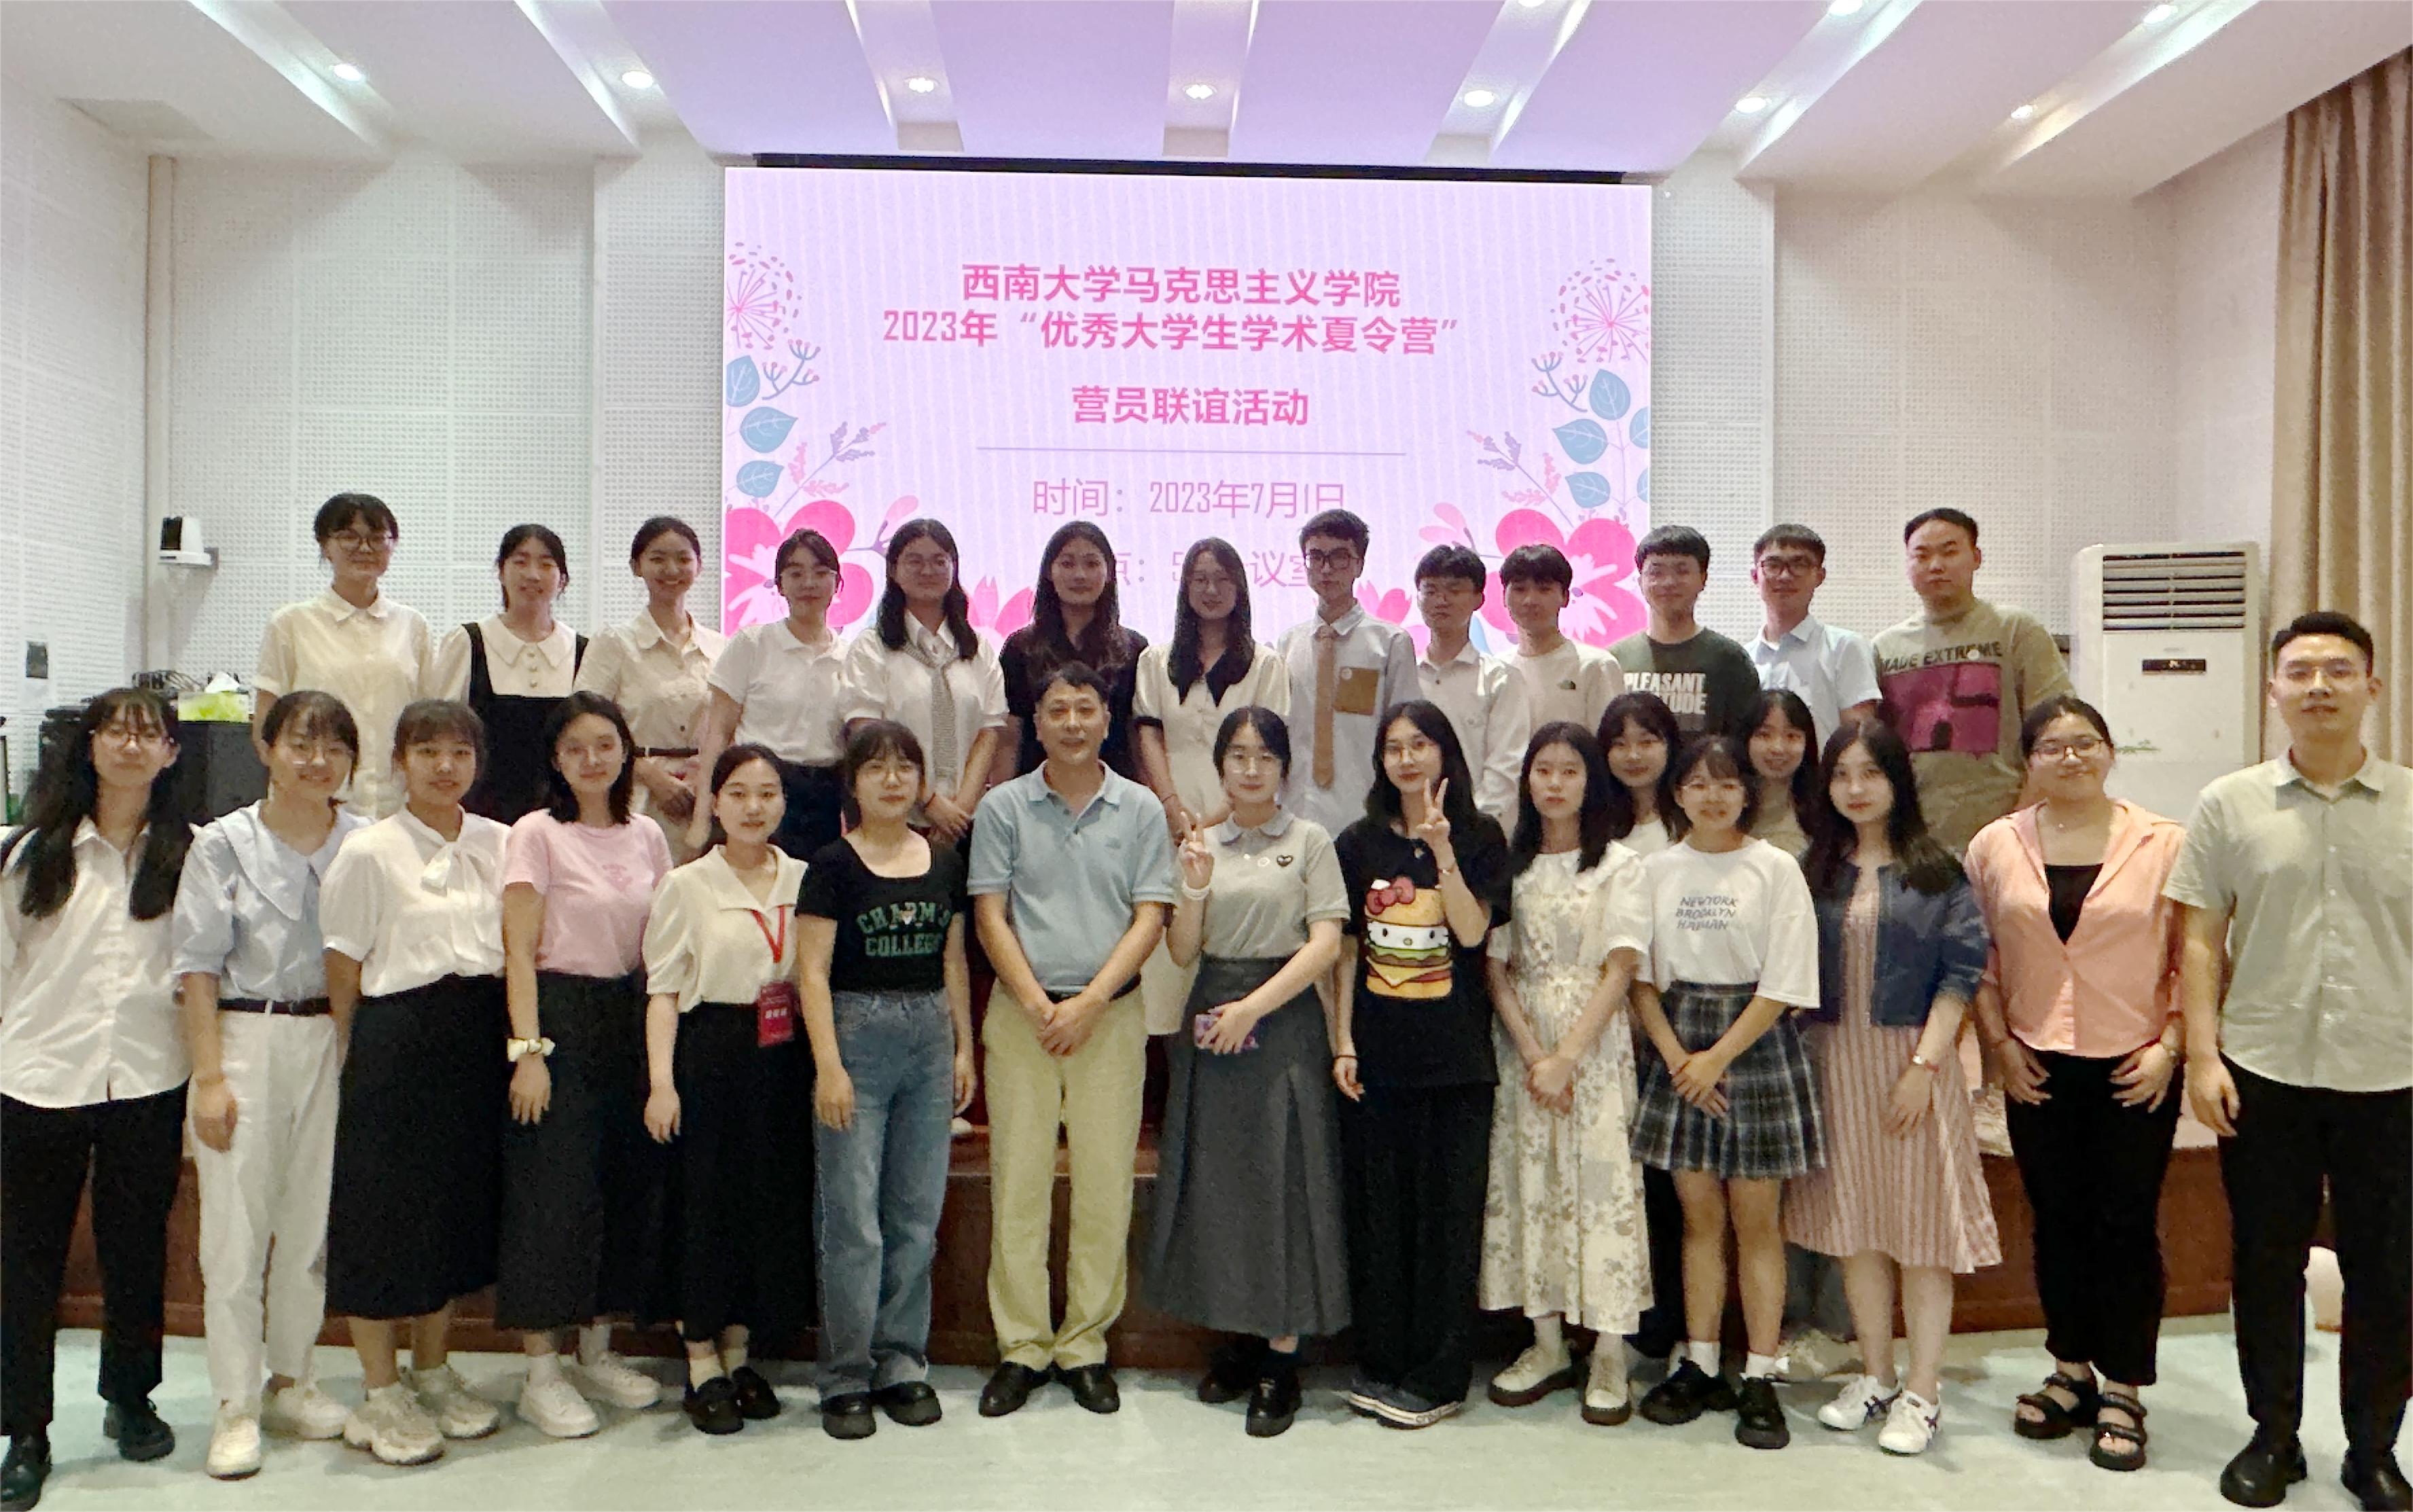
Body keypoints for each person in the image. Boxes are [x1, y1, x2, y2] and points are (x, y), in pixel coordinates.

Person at [2165, 612, 2410, 1512]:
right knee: (2266, 1262)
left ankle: (2373, 1449)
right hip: (2262, 1069)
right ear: (2273, 691)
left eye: (2338, 670)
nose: (2318, 686)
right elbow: (2199, 939)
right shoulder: (2229, 804)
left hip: (2392, 1073)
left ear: (2371, 687)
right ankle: (2273, 1436)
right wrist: (2202, 1055)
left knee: (2389, 1270)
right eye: (2300, 671)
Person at [1966, 694, 2187, 1473]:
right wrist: (1999, 1045)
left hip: (2136, 1063)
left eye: (2086, 743)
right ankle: (2070, 1370)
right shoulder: (1996, 844)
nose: (2071, 757)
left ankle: (2124, 1385)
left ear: (2110, 752)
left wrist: (2172, 1045)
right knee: (2055, 1218)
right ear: (2029, 762)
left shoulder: (2162, 841)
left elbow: (2194, 954)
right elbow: (1978, 955)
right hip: (2036, 1061)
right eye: (2053, 747)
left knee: (2125, 1223)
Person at [1786, 720, 2001, 1458]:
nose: (1855, 788)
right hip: (1833, 1063)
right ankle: (1876, 1375)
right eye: (1841, 775)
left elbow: (1962, 972)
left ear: (1897, 781)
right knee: (1857, 1229)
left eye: (1870, 773)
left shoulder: (1936, 868)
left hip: (1914, 1065)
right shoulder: (1815, 869)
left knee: (1921, 1234)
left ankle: (1924, 1391)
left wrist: (1924, 1068)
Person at [969, 664, 1177, 1418]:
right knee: (1018, 1183)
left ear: (1107, 718)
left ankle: (1085, 1345)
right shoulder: (1003, 806)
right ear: (1038, 721)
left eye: (1085, 709)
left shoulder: (1141, 808)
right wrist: (1036, 1003)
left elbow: (1152, 915)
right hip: (1021, 1019)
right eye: (1057, 710)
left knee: (1103, 1186)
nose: (1072, 723)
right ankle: (1022, 1346)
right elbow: (989, 914)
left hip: (1109, 1018)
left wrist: (1089, 1002)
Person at [0, 691, 190, 1512]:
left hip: (148, 1078)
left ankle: (131, 1399)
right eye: (117, 730)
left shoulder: (188, 854)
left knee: (136, 1248)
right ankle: (25, 1433)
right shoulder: (31, 853)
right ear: (88, 746)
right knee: (26, 1261)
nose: (132, 745)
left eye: (150, 733)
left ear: (172, 754)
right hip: (38, 1078)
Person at [173, 691, 363, 1479]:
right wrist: (209, 1077)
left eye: (334, 748)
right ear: (266, 748)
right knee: (235, 1231)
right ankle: (235, 1403)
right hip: (246, 1036)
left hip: (332, 1038)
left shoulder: (363, 841)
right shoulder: (224, 843)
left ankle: (293, 1379)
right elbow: (196, 967)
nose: (317, 761)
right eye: (301, 745)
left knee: (309, 1222)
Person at [1145, 708, 1349, 1438]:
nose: (1252, 769)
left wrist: (1253, 1010)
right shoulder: (1201, 844)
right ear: (1221, 768)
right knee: (1222, 1187)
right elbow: (1182, 950)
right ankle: (1235, 1339)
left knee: (1283, 1184)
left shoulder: (1310, 842)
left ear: (1285, 768)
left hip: (1283, 1022)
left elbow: (1325, 945)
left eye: (1266, 756)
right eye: (1238, 756)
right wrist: (1196, 886)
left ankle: (1281, 1359)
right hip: (1212, 1017)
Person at [318, 700, 510, 1466]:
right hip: (395, 1038)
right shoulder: (369, 850)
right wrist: (357, 1053)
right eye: (427, 751)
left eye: (459, 752)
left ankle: (433, 1369)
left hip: (476, 1036)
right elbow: (343, 965)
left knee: (452, 1210)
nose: (444, 766)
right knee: (381, 1213)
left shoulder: (499, 842)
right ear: (398, 762)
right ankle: (380, 1389)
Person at [1629, 736, 1823, 1452]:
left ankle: (1761, 1376)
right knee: (1698, 1220)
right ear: (1678, 794)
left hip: (1756, 1043)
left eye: (1727, 784)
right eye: (1698, 784)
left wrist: (1716, 1060)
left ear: (1748, 792)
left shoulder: (1776, 869)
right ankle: (1702, 1362)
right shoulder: (1655, 870)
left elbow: (1786, 982)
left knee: (1758, 1222)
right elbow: (1638, 978)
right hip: (1680, 1043)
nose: (1712, 797)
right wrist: (1682, 1060)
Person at [495, 694, 675, 1439]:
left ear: (627, 751)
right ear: (555, 760)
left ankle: (596, 1351)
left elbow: (662, 940)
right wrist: (529, 1051)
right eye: (575, 748)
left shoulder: (648, 835)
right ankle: (542, 1372)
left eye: (606, 744)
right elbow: (517, 952)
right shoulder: (536, 834)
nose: (593, 759)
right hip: (559, 1019)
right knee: (553, 1193)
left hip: (628, 1015)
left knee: (618, 1185)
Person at [1331, 702, 1512, 1429]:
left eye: (1420, 745)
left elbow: (1471, 933)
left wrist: (1442, 852)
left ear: (1445, 754)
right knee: (1381, 1217)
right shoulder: (1357, 843)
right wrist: (1343, 1042)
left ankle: (1439, 1378)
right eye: (1394, 748)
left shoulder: (1480, 836)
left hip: (1456, 1064)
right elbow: (1347, 950)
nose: (1406, 759)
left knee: (1446, 1223)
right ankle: (1383, 1363)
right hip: (1378, 1058)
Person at [799, 721, 976, 1441]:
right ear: (853, 783)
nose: (894, 780)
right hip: (856, 1038)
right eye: (877, 768)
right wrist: (829, 1065)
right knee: (853, 1220)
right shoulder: (831, 865)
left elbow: (954, 961)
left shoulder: (943, 862)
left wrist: (963, 1051)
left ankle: (902, 1361)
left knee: (915, 1216)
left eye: (906, 767)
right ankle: (845, 1374)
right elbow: (812, 972)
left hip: (929, 1038)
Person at [1479, 723, 1653, 1428]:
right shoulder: (1512, 867)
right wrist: (1535, 1057)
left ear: (1591, 782)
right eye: (1543, 770)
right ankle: (1546, 1342)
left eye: (1569, 771)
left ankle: (1609, 1351)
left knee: (1601, 1186)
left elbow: (1622, 967)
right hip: (1523, 1046)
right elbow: (1496, 968)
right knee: (1533, 1186)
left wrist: (1567, 1058)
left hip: (1596, 1048)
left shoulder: (1619, 865)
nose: (1554, 783)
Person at [641, 744, 817, 1437]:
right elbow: (662, 991)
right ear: (714, 802)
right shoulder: (688, 884)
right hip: (709, 1052)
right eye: (738, 793)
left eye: (767, 793)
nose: (753, 807)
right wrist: (661, 1083)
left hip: (781, 1055)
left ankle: (740, 1357)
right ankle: (701, 1362)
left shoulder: (802, 878)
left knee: (764, 1205)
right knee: (705, 1205)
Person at [1134, 537, 1291, 1037]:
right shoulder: (1156, 660)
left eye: (1223, 579)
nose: (1211, 589)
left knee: (1227, 944)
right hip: (1169, 821)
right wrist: (1171, 806)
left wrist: (1214, 818)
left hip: (1241, 820)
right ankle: (1171, 1068)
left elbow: (1269, 749)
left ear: (1240, 588)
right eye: (1200, 579)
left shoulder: (1265, 664)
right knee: (1168, 956)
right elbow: (1149, 733)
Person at [1873, 508, 2072, 856]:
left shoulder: (2016, 630)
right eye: (1922, 555)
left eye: (1949, 552)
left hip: (2010, 835)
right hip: (1915, 844)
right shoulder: (1884, 648)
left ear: (1976, 558)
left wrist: (2018, 826)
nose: (1936, 565)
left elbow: (2056, 731)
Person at [252, 492, 434, 818]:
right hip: (314, 801)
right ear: (325, 545)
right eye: (349, 537)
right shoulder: (291, 623)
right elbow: (266, 721)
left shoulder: (413, 625)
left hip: (395, 804)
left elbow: (426, 720)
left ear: (392, 546)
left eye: (377, 538)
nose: (364, 548)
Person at [840, 519, 1006, 846]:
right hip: (892, 818)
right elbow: (866, 734)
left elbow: (988, 734)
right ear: (893, 570)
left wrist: (958, 813)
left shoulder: (978, 650)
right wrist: (930, 802)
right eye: (914, 561)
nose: (928, 571)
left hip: (963, 824)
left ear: (954, 568)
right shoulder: (871, 648)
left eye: (939, 561)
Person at [575, 516, 727, 865]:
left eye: (683, 559)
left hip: (705, 800)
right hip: (636, 795)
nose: (671, 569)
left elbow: (730, 726)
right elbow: (583, 722)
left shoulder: (721, 647)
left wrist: (702, 777)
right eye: (658, 559)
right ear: (636, 567)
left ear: (699, 566)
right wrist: (650, 775)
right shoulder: (614, 643)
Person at [694, 528, 851, 863]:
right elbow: (718, 733)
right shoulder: (752, 644)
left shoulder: (851, 657)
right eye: (796, 573)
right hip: (759, 789)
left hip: (825, 797)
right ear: (779, 584)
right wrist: (702, 818)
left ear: (837, 583)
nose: (808, 583)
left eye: (821, 573)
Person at [429, 524, 589, 823]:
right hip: (480, 818)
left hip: (565, 819)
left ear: (563, 580)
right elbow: (439, 733)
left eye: (546, 564)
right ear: (501, 572)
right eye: (520, 562)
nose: (533, 574)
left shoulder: (583, 651)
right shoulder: (468, 642)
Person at [1278, 508, 1418, 839]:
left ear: (1359, 564)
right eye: (1316, 557)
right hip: (1295, 812)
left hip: (1367, 813)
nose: (1326, 569)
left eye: (1339, 557)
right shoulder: (1288, 644)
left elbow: (1406, 734)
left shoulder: (1390, 643)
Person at [995, 521, 1149, 783]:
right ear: (1049, 572)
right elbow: (1010, 737)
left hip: (1115, 796)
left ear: (1110, 573)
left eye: (1092, 564)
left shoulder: (1134, 650)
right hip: (1036, 795)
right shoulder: (1020, 648)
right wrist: (1002, 797)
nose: (1080, 575)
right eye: (1067, 564)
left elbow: (1139, 740)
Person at [1415, 545, 1532, 829]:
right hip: (1411, 830)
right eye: (1430, 590)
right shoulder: (1405, 674)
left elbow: (1506, 766)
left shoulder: (1501, 679)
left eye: (1454, 590)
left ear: (1479, 599)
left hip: (1478, 832)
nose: (1441, 600)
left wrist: (1472, 827)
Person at [1608, 526, 1760, 742]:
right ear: (1640, 581)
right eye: (1656, 572)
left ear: (1703, 579)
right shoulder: (1614, 660)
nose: (1669, 582)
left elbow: (1744, 744)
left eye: (1682, 571)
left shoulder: (1730, 660)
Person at [1747, 524, 1880, 749]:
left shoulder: (1845, 648)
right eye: (1773, 565)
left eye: (1799, 564)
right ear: (1755, 576)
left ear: (1820, 576)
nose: (1785, 576)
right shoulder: (1742, 658)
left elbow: (1860, 741)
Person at [1500, 543, 1624, 732]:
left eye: (1544, 589)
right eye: (1520, 589)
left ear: (1565, 596)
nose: (1530, 600)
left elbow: (1611, 741)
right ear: (1504, 596)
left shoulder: (1595, 666)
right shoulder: (1497, 670)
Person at [1597, 691, 1683, 859]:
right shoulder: (1594, 822)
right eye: (1620, 744)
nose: (1633, 756)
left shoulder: (1693, 816)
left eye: (1646, 742)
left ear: (1670, 745)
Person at [1747, 689, 1819, 861]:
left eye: (1792, 736)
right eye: (1764, 735)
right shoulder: (1725, 806)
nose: (1778, 748)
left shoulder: (1823, 810)